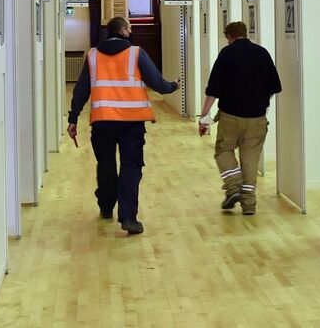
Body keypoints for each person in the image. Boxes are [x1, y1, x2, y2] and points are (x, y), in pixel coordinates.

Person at [68, 17, 178, 235]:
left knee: (106, 165)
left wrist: (73, 118)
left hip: (103, 121)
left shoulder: (92, 55)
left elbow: (81, 90)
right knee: (131, 167)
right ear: (125, 31)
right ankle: (128, 217)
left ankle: (106, 206)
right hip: (132, 122)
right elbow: (157, 84)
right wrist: (173, 85)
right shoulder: (136, 53)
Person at [197, 21, 282, 215]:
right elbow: (274, 87)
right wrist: (261, 104)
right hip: (257, 117)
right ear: (246, 33)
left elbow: (213, 89)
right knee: (250, 159)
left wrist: (204, 117)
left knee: (223, 150)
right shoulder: (263, 53)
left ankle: (233, 185)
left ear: (228, 36)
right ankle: (249, 204)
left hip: (230, 116)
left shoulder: (226, 54)